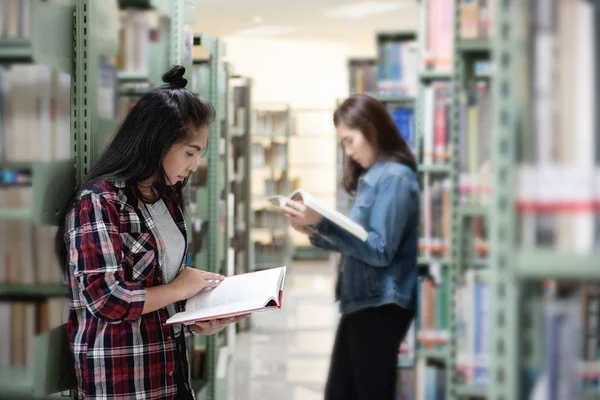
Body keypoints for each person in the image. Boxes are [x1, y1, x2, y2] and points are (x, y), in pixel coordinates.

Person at [55, 65, 247, 400]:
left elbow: (156, 289)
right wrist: (178, 288)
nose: (194, 166)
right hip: (122, 383)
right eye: (190, 152)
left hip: (168, 375)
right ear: (157, 142)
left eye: (199, 154)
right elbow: (107, 298)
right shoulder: (99, 202)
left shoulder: (165, 201)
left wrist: (193, 316)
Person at [282, 94, 419, 400]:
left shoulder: (396, 178)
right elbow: (358, 241)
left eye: (349, 140)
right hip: (361, 304)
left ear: (371, 129)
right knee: (340, 392)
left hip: (380, 308)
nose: (348, 151)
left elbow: (379, 249)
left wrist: (323, 223)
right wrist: (313, 226)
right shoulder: (374, 176)